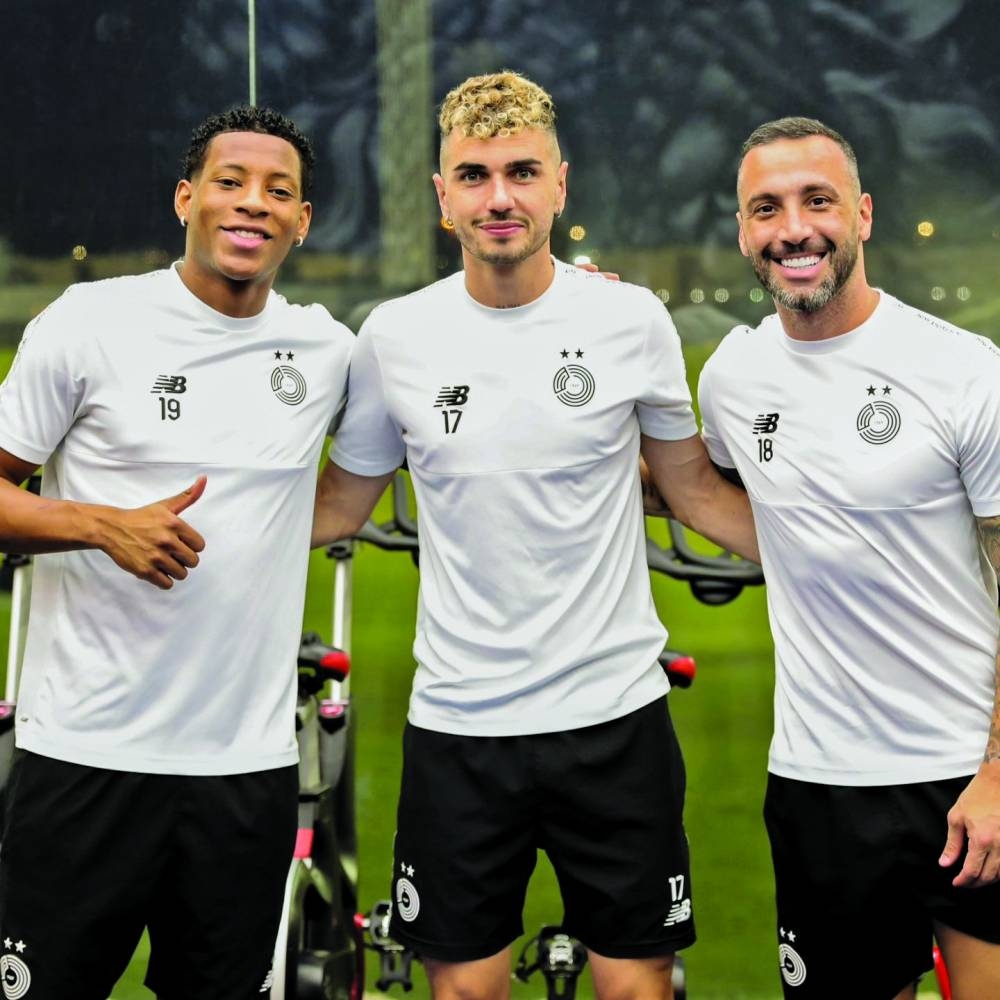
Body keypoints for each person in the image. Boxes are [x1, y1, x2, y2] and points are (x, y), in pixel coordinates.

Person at [311, 70, 759, 1000]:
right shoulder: (394, 337)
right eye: (473, 176)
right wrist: (127, 521)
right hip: (461, 728)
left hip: (614, 720)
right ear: (443, 197)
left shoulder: (629, 319)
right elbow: (336, 507)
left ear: (561, 184)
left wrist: (854, 550)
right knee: (464, 990)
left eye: (522, 172)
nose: (500, 197)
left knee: (636, 988)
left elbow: (696, 495)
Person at [0, 107, 354, 999]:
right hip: (86, 756)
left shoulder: (328, 350)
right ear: (186, 199)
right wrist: (97, 524)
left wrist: (572, 305)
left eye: (279, 191)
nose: (253, 204)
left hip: (244, 774)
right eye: (230, 182)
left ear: (302, 222)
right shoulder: (88, 324)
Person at [696, 116, 1000, 999]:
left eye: (816, 200)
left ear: (862, 214)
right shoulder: (732, 378)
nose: (793, 228)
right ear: (745, 232)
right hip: (820, 781)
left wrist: (998, 770)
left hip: (963, 770)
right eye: (767, 208)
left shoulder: (962, 371)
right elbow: (704, 487)